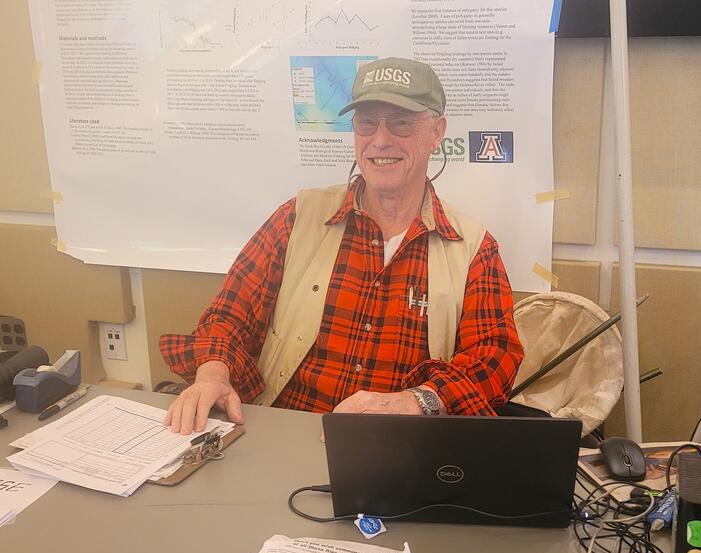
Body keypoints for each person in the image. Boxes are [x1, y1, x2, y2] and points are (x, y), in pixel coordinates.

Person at [161, 57, 523, 433]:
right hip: (286, 431)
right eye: (368, 122)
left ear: (437, 132)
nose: (381, 139)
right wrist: (212, 375)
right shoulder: (298, 217)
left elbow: (495, 359)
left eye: (401, 122)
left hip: (397, 449)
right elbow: (228, 318)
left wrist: (415, 401)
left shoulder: (472, 246)